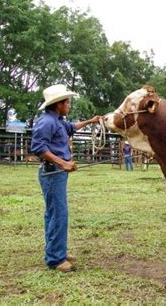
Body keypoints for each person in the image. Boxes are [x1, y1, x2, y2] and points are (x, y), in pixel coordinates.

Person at [31, 84, 101, 272]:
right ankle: (56, 259)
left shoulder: (58, 121)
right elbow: (39, 148)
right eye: (67, 102)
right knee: (58, 214)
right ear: (58, 104)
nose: (69, 105)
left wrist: (90, 121)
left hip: (57, 173)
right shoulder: (47, 122)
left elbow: (71, 128)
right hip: (52, 172)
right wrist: (63, 163)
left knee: (53, 213)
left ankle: (56, 250)